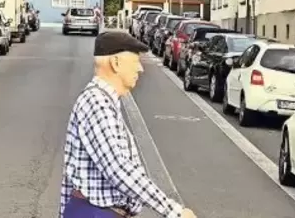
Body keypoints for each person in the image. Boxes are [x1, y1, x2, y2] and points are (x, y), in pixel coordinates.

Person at [59, 31, 196, 218]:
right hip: (96, 213)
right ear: (115, 63)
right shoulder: (97, 102)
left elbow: (71, 176)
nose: (140, 69)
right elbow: (117, 167)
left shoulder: (103, 101)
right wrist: (173, 211)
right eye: (135, 62)